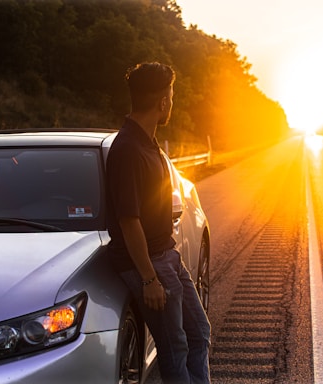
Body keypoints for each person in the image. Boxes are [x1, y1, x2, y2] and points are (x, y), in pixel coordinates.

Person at [106, 62, 211, 384]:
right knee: (174, 347)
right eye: (172, 96)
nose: (172, 104)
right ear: (163, 101)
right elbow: (128, 220)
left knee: (199, 334)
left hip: (167, 255)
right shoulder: (127, 149)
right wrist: (149, 279)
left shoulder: (149, 143)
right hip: (150, 264)